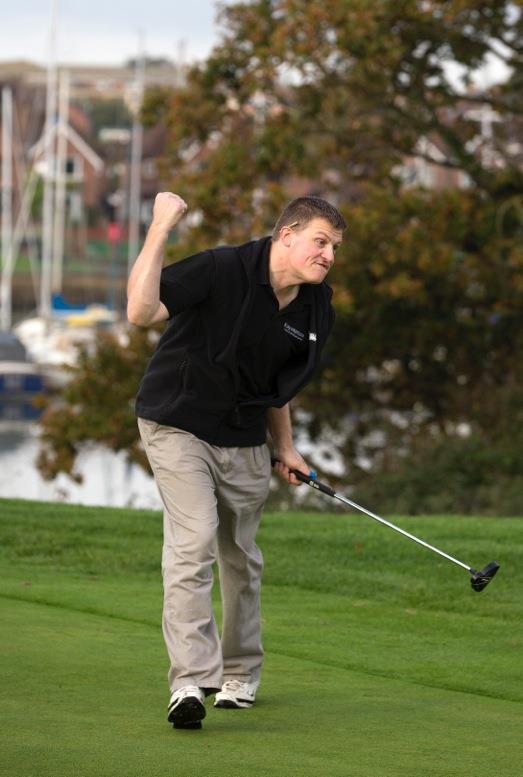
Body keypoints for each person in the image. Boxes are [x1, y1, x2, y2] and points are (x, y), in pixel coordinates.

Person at [127, 192, 345, 729]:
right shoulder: (222, 268)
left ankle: (240, 672)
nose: (329, 255)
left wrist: (286, 447)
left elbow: (277, 385)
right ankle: (188, 683)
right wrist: (160, 226)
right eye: (321, 242)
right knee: (194, 537)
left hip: (245, 437)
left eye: (335, 247)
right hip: (176, 421)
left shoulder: (315, 305)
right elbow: (139, 312)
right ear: (287, 235)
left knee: (241, 556)